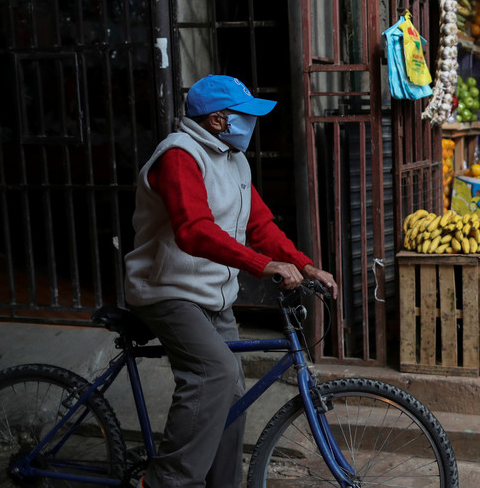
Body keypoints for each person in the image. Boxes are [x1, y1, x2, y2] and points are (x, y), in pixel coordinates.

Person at [124, 74, 337, 488]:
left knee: (232, 390)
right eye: (246, 116)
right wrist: (263, 266)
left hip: (212, 295)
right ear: (218, 120)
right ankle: (166, 481)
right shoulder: (179, 156)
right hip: (166, 290)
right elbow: (194, 231)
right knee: (215, 372)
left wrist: (304, 265)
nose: (252, 124)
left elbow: (260, 225)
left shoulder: (233, 159)